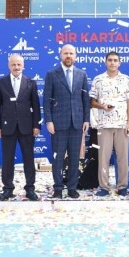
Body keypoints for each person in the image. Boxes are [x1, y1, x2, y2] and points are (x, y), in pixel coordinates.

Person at [43, 44, 90, 199]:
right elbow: (47, 100)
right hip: (58, 124)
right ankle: (58, 188)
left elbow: (85, 99)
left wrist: (86, 119)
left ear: (75, 56)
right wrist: (48, 121)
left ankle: (72, 188)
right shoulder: (51, 74)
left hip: (77, 123)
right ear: (60, 55)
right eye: (65, 53)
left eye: (71, 53)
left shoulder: (82, 75)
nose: (68, 56)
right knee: (58, 158)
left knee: (75, 158)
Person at [0, 54, 41, 201]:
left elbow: (36, 106)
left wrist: (36, 125)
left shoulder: (31, 83)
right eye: (13, 64)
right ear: (9, 66)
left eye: (19, 64)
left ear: (23, 66)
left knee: (29, 159)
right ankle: (8, 189)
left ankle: (30, 189)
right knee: (7, 160)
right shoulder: (1, 83)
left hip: (27, 127)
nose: (16, 67)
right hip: (7, 127)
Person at [89, 51, 129, 197]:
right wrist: (102, 106)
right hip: (103, 125)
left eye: (115, 60)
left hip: (122, 124)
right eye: (110, 60)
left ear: (119, 63)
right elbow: (92, 101)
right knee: (104, 158)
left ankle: (122, 186)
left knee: (122, 157)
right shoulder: (98, 79)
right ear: (105, 62)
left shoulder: (126, 80)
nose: (112, 62)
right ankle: (104, 187)